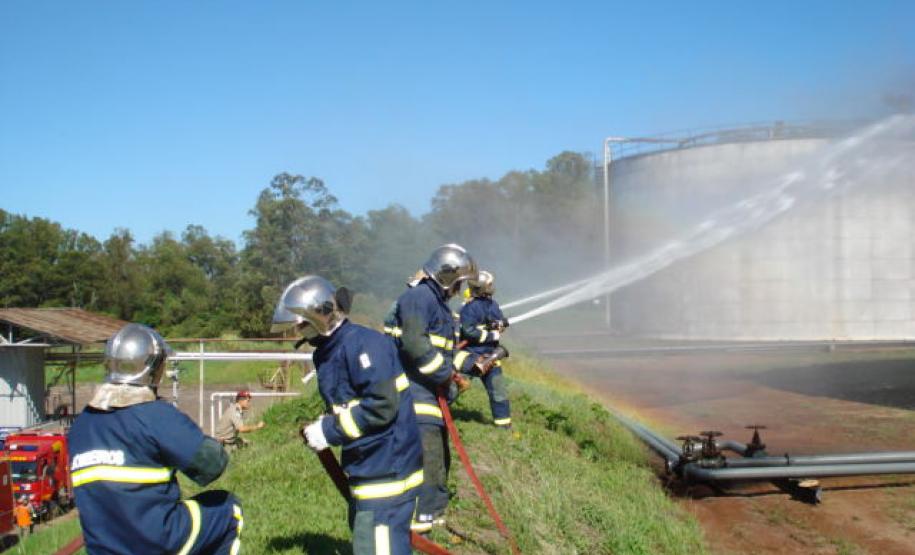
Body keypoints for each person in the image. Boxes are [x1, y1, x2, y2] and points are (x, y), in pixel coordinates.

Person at [272, 275, 423, 555]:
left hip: (387, 468)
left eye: (302, 324)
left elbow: (381, 406)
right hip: (368, 463)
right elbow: (348, 403)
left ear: (320, 318)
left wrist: (329, 431)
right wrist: (327, 422)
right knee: (371, 540)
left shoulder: (365, 346)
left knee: (377, 545)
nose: (298, 331)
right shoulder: (331, 350)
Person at [68, 323, 243, 555]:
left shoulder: (80, 427)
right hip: (155, 542)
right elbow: (212, 465)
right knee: (229, 509)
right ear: (152, 368)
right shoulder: (155, 415)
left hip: (103, 549)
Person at [384, 244, 477, 532]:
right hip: (415, 394)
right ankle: (419, 520)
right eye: (459, 282)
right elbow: (415, 344)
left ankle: (432, 514)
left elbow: (442, 349)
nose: (460, 289)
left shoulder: (436, 304)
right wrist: (445, 376)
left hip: (428, 393)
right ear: (447, 277)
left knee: (437, 455)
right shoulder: (419, 297)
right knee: (427, 456)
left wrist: (457, 373)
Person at [459, 270, 512, 429]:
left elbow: (498, 320)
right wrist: (491, 336)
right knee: (456, 386)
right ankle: (438, 411)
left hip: (492, 356)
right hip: (472, 356)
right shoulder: (469, 308)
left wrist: (500, 324)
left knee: (498, 391)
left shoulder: (492, 304)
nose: (491, 287)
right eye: (489, 284)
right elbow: (468, 331)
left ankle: (503, 426)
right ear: (480, 287)